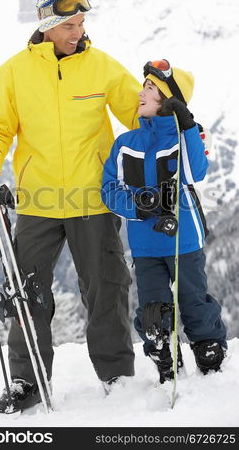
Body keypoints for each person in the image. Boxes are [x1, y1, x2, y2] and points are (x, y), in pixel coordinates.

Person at [0, 0, 143, 411]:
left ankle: (117, 378)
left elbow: (138, 112)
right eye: (69, 24)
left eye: (81, 22)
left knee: (106, 289)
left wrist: (172, 118)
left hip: (94, 200)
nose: (78, 31)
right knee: (28, 293)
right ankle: (26, 380)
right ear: (46, 26)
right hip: (38, 203)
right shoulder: (13, 72)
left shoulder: (102, 66)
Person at [101, 59, 227, 384]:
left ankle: (209, 356)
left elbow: (194, 172)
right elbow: (109, 189)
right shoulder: (126, 144)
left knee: (194, 303)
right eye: (144, 86)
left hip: (183, 240)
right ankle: (166, 362)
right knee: (153, 312)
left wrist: (186, 126)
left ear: (168, 99)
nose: (141, 93)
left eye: (150, 88)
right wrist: (138, 206)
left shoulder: (186, 139)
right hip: (145, 248)